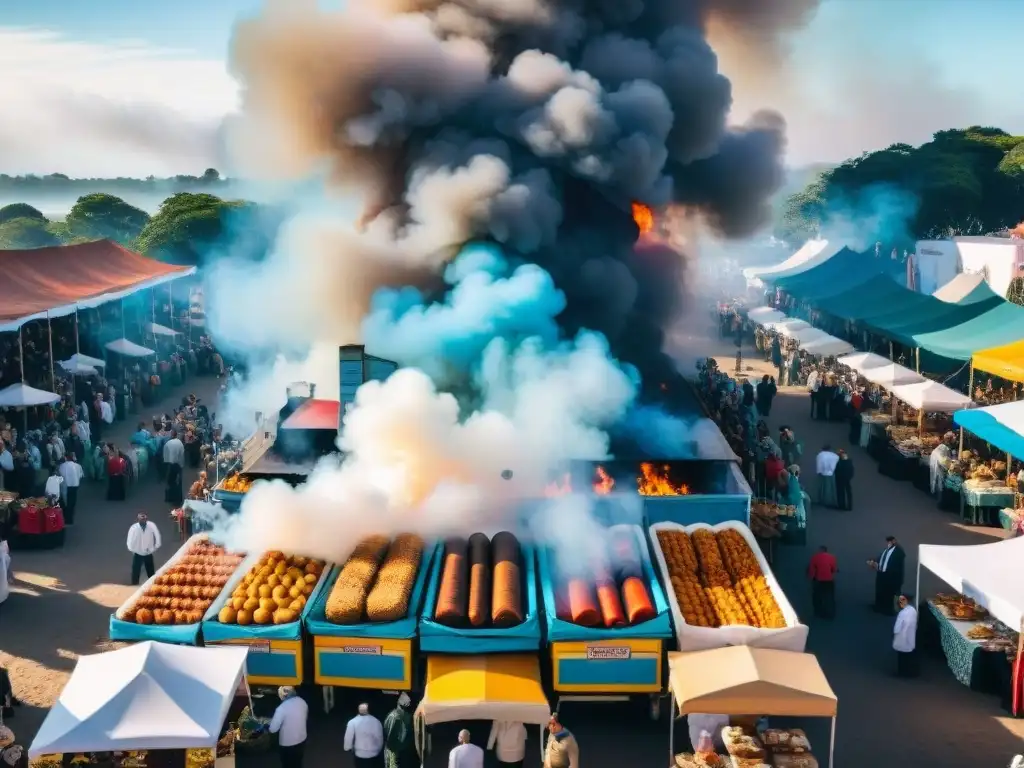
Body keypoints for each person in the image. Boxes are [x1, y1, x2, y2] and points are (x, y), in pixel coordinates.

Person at [269, 686, 308, 768]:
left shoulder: (281, 708)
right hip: (302, 739)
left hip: (288, 743)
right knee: (298, 762)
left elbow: (273, 729)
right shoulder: (303, 702)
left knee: (288, 764)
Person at [868, 536, 905, 615]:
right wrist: (873, 562)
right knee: (880, 591)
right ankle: (879, 607)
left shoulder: (898, 552)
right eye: (888, 541)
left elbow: (897, 564)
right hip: (881, 574)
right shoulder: (886, 550)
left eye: (891, 541)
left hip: (891, 577)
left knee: (890, 593)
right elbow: (880, 559)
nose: (889, 543)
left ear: (894, 541)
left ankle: (889, 610)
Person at [344, 702, 384, 768]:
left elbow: (348, 738)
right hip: (374, 753)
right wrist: (378, 749)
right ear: (368, 710)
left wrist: (348, 747)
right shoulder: (376, 721)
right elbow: (379, 738)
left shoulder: (352, 722)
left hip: (359, 754)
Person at [126, 513, 162, 585]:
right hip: (138, 553)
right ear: (138, 519)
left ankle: (153, 585)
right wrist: (132, 549)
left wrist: (155, 547)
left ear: (146, 519)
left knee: (151, 572)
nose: (143, 520)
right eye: (141, 518)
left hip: (148, 553)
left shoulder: (151, 526)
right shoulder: (134, 528)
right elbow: (129, 540)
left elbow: (157, 536)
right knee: (135, 571)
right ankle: (134, 585)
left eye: (144, 518)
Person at [382, 693, 414, 768]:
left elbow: (387, 733)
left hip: (395, 750)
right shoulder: (402, 717)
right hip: (398, 750)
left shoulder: (393, 716)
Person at [807, 545, 838, 619]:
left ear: (820, 550)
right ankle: (830, 614)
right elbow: (834, 569)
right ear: (826, 550)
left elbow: (812, 570)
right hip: (829, 580)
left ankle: (818, 612)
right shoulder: (832, 557)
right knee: (829, 597)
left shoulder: (815, 557)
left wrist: (810, 578)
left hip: (818, 580)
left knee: (817, 597)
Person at [893, 593, 919, 677]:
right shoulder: (912, 611)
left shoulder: (905, 613)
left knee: (902, 657)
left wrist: (896, 632)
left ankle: (902, 673)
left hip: (903, 637)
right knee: (906, 655)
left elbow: (899, 626)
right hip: (908, 637)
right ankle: (907, 672)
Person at [58, 453, 84, 526]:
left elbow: (60, 474)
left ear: (66, 457)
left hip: (66, 486)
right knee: (72, 502)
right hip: (75, 485)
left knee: (66, 502)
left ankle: (66, 518)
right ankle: (71, 518)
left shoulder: (62, 466)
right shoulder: (78, 466)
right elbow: (81, 475)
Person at [163, 430, 185, 507]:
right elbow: (182, 454)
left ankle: (170, 498)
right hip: (179, 465)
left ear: (172, 435)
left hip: (171, 465)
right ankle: (178, 499)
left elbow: (165, 455)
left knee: (170, 482)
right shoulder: (180, 443)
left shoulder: (168, 444)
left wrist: (166, 463)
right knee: (179, 482)